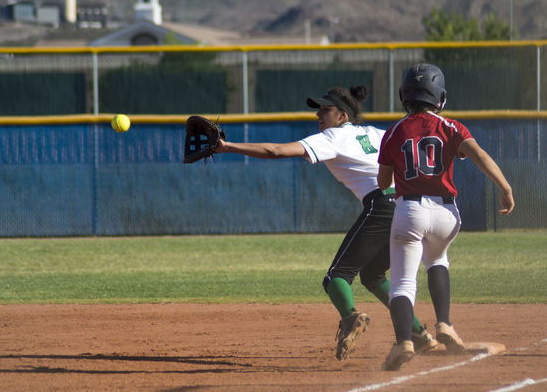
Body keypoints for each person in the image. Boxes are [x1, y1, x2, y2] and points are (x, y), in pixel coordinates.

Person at [216, 85, 438, 361]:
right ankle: (419, 334)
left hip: (381, 206)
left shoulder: (333, 137)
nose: (319, 115)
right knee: (373, 276)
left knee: (336, 277)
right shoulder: (376, 133)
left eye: (325, 110)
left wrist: (226, 146)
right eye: (318, 110)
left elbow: (275, 150)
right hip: (407, 206)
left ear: (343, 116)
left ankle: (350, 317)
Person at [377, 64, 515, 371]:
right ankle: (444, 325)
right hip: (446, 213)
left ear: (404, 95)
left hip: (409, 211)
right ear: (440, 97)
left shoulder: (393, 132)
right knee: (437, 260)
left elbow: (383, 183)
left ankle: (404, 343)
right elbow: (480, 155)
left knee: (402, 283)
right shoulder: (452, 127)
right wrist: (505, 187)